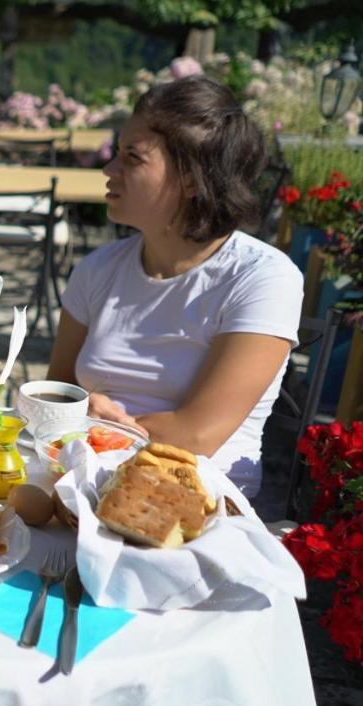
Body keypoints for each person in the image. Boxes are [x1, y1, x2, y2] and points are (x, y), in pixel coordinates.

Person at [47, 75, 302, 497]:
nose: (110, 168)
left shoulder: (262, 279)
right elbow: (54, 396)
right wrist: (73, 414)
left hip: (199, 503)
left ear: (191, 178)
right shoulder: (96, 270)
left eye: (132, 157)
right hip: (82, 485)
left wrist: (91, 424)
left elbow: (197, 435)